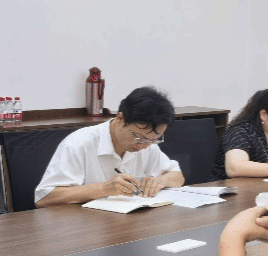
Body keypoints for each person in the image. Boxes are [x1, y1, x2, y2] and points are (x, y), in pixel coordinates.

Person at [34, 85, 184, 206]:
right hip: (85, 227)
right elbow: (44, 199)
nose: (144, 146)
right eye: (138, 137)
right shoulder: (78, 144)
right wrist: (104, 188)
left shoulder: (147, 143)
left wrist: (159, 181)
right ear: (120, 118)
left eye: (154, 140)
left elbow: (177, 176)